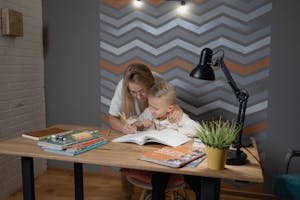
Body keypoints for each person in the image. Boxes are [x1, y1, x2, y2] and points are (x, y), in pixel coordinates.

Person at [108, 63, 183, 199]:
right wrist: (124, 128)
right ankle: (128, 195)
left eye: (142, 91)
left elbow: (170, 105)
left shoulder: (159, 81)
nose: (138, 97)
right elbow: (112, 118)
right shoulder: (122, 87)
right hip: (135, 132)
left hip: (156, 132)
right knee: (127, 156)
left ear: (151, 84)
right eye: (133, 92)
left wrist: (177, 108)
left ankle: (155, 189)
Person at [124, 81, 202, 200]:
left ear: (170, 108)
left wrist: (178, 128)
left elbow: (198, 130)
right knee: (159, 178)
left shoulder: (177, 116)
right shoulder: (148, 113)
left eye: (155, 108)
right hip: (156, 160)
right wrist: (139, 124)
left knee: (194, 178)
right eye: (149, 105)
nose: (151, 110)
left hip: (176, 157)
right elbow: (133, 122)